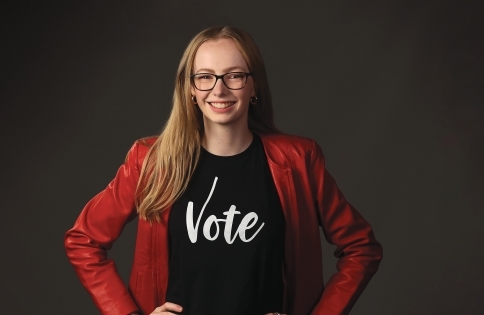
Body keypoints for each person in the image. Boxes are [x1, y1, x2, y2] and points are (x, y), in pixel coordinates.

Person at [64, 26, 382, 315]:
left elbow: (361, 248)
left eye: (234, 75)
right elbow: (83, 240)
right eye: (205, 76)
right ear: (190, 89)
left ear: (254, 85)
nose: (219, 89)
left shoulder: (299, 159)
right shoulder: (151, 161)